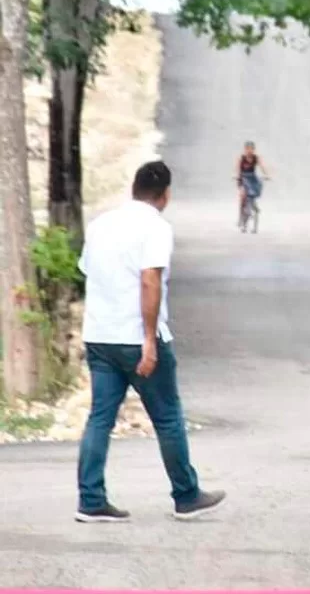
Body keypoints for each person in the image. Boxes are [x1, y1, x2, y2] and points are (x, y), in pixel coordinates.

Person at [76, 160, 225, 523]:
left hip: (99, 335)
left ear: (134, 189)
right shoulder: (156, 228)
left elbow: (87, 272)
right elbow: (149, 281)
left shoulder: (100, 224)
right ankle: (186, 495)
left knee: (100, 418)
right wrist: (149, 340)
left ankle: (91, 499)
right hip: (136, 338)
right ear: (165, 195)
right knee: (168, 418)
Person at [235, 141, 269, 217]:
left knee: (255, 189)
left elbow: (262, 166)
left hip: (252, 177)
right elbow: (237, 168)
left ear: (254, 150)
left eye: (251, 149)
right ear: (245, 149)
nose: (249, 151)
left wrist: (266, 174)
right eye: (247, 149)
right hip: (243, 178)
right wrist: (237, 176)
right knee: (242, 194)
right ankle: (241, 215)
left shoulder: (256, 158)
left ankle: (252, 205)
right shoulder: (241, 158)